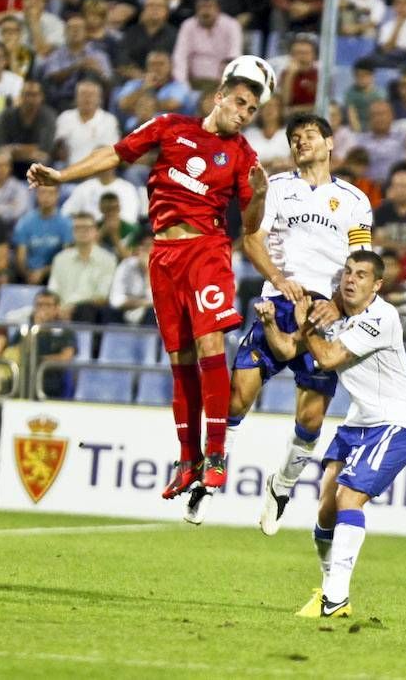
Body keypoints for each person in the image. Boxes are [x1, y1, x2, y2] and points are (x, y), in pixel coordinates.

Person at [27, 69, 269, 496]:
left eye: (253, 109)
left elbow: (250, 227)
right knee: (180, 359)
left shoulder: (244, 156)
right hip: (163, 256)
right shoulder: (170, 126)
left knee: (211, 345)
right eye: (240, 103)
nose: (245, 113)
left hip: (207, 251)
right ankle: (188, 459)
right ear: (219, 97)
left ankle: (216, 454)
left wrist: (260, 196)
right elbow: (115, 153)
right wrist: (63, 177)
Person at [185, 112, 373, 525]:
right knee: (237, 397)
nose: (300, 142)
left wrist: (340, 307)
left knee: (310, 418)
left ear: (329, 144)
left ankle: (282, 486)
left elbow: (361, 264)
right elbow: (252, 239)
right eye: (294, 138)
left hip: (325, 313)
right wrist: (278, 280)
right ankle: (208, 482)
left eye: (309, 135)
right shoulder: (276, 188)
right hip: (279, 302)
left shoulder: (356, 201)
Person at [255, 250, 406, 616]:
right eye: (348, 272)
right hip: (358, 421)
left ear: (377, 285)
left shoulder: (382, 317)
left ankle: (336, 596)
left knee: (349, 499)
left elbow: (329, 358)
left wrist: (308, 324)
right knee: (326, 510)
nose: (351, 279)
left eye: (362, 275)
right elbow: (287, 347)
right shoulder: (331, 315)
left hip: (395, 423)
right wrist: (271, 322)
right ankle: (329, 589)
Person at [0, 289, 77, 398]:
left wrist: (39, 359)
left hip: (49, 377)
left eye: (48, 305)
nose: (43, 309)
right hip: (22, 375)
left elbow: (66, 357)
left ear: (57, 308)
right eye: (39, 305)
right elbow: (13, 352)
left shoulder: (65, 331)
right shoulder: (27, 329)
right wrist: (36, 328)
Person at [47, 212, 117, 322]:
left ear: (95, 231)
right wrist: (58, 309)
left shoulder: (108, 259)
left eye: (87, 228)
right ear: (73, 232)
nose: (82, 231)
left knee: (86, 310)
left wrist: (73, 307)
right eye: (78, 228)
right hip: (60, 310)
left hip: (90, 311)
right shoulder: (60, 258)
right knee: (42, 310)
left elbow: (102, 296)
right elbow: (53, 290)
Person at [172, 0, 242, 91]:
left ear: (218, 9)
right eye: (202, 7)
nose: (205, 11)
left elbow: (233, 56)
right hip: (193, 82)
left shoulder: (231, 25)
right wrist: (182, 84)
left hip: (220, 82)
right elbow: (180, 56)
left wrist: (225, 84)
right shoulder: (187, 26)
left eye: (209, 7)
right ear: (196, 10)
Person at [12, 184, 73, 284]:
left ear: (58, 195)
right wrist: (27, 274)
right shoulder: (25, 222)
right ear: (36, 194)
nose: (46, 197)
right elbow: (21, 257)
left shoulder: (66, 223)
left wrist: (43, 272)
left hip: (55, 274)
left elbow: (66, 257)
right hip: (27, 274)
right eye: (42, 192)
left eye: (51, 193)